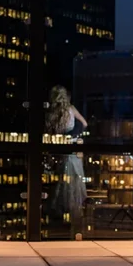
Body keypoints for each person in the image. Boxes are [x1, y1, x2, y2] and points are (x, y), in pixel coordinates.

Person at [46, 86, 88, 216]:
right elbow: (84, 123)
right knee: (74, 179)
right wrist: (75, 135)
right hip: (73, 148)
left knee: (61, 179)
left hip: (59, 148)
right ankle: (74, 209)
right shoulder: (71, 109)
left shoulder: (51, 114)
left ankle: (60, 209)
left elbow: (49, 133)